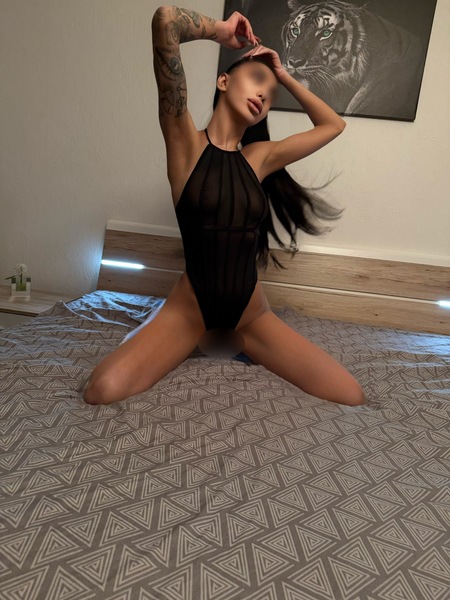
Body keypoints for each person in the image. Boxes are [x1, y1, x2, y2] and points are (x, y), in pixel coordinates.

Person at [83, 6, 365, 406]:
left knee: (350, 394)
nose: (264, 93)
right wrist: (221, 31)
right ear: (223, 80)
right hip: (190, 311)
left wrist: (282, 73)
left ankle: (231, 344)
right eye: (256, 79)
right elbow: (165, 21)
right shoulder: (184, 143)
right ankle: (175, 334)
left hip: (251, 315)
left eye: (271, 93)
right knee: (102, 390)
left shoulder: (260, 158)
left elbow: (333, 125)